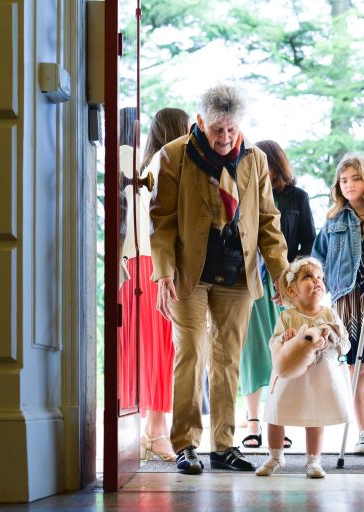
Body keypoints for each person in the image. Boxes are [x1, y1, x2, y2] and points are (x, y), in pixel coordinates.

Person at [150, 84, 289, 475]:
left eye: (231, 129)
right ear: (200, 123)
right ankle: (186, 444)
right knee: (191, 353)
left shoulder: (255, 160)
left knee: (228, 360)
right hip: (187, 273)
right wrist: (162, 274)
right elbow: (161, 222)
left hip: (236, 272)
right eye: (217, 130)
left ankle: (224, 446)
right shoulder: (174, 156)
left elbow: (267, 221)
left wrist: (282, 273)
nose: (225, 138)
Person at [121, 108, 193, 463]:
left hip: (140, 264)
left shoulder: (146, 169)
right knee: (163, 349)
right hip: (155, 265)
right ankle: (155, 429)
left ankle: (155, 427)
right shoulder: (164, 168)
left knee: (159, 349)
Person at [312, 154, 364, 455]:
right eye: (343, 180)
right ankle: (363, 434)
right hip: (347, 300)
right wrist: (316, 284)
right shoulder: (334, 219)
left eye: (355, 179)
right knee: (355, 368)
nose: (349, 185)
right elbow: (317, 256)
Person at [239, 140, 315, 449]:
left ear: (275, 164)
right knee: (252, 353)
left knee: (282, 351)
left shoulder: (297, 197)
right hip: (249, 284)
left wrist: (292, 281)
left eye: (262, 164)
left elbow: (308, 242)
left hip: (285, 287)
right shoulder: (246, 194)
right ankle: (254, 421)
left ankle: (277, 421)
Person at [255, 257, 351, 478]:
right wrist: (284, 340)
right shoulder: (287, 316)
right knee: (276, 412)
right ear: (291, 290)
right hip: (290, 375)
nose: (316, 281)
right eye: (308, 277)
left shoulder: (329, 313)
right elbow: (273, 342)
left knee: (315, 416)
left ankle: (313, 461)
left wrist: (331, 337)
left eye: (319, 277)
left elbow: (345, 343)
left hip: (320, 376)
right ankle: (275, 456)